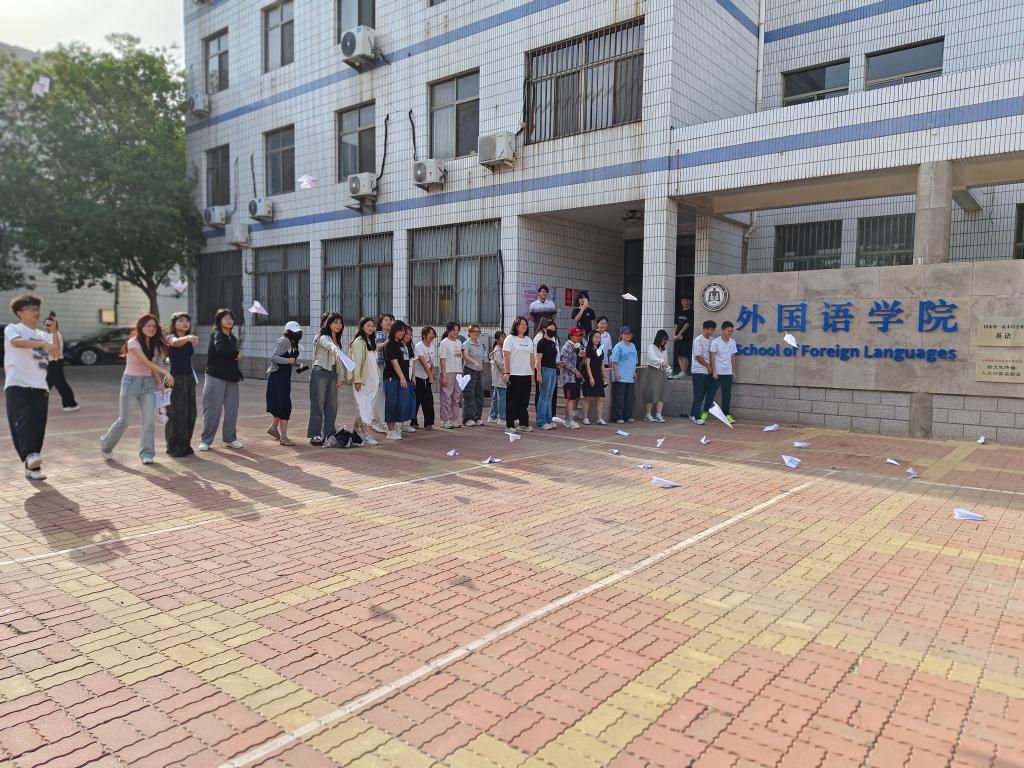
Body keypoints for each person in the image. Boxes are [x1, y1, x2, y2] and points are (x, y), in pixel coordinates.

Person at [100, 314, 174, 465]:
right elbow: (146, 362)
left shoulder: (153, 345)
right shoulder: (133, 343)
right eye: (148, 326)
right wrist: (165, 372)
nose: (151, 329)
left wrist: (159, 383)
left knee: (149, 420)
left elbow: (152, 367)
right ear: (141, 327)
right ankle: (106, 444)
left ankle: (147, 454)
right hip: (131, 383)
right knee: (124, 420)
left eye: (154, 326)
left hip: (147, 385)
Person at [4, 294, 57, 480]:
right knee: (22, 421)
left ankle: (32, 467)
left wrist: (53, 332)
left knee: (37, 426)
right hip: (17, 383)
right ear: (20, 313)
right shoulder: (13, 328)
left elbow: (55, 354)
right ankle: (31, 456)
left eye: (37, 309)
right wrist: (42, 344)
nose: (36, 312)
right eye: (31, 309)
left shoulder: (44, 335)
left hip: (40, 386)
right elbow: (17, 342)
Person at [200, 308, 243, 452]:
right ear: (219, 321)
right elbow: (221, 350)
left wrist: (237, 368)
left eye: (230, 318)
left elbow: (231, 358)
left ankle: (230, 439)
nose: (229, 320)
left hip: (231, 377)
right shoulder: (217, 335)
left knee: (232, 409)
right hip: (215, 376)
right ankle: (206, 440)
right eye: (225, 318)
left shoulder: (233, 338)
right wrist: (236, 353)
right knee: (213, 410)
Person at [309, 313, 347, 446]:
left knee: (332, 406)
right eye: (335, 322)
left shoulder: (337, 339)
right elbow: (328, 345)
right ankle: (315, 434)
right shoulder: (323, 337)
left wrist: (341, 377)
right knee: (317, 405)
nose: (338, 325)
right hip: (320, 373)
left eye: (340, 323)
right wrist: (335, 348)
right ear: (328, 324)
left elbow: (339, 361)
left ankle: (329, 433)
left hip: (333, 374)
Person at [165, 312, 200, 457]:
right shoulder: (170, 337)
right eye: (181, 321)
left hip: (189, 378)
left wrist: (194, 378)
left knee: (190, 413)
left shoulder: (187, 339)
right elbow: (174, 343)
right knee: (176, 414)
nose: (185, 323)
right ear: (174, 324)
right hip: (175, 379)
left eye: (187, 321)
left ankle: (185, 445)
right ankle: (174, 447)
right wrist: (188, 338)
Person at [266, 321, 303, 446]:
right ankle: (283, 438)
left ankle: (273, 428)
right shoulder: (285, 340)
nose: (297, 334)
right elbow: (274, 357)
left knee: (282, 404)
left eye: (298, 332)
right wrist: (288, 361)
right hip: (278, 377)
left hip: (283, 377)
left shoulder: (292, 342)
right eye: (295, 332)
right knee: (284, 405)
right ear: (289, 332)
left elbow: (287, 359)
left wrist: (296, 363)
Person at [348, 316, 379, 446]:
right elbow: (356, 362)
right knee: (362, 406)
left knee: (364, 406)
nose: (371, 328)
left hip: (372, 380)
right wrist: (357, 380)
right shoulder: (359, 342)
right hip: (363, 381)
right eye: (368, 326)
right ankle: (366, 434)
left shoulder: (370, 341)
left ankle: (355, 432)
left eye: (372, 326)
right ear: (362, 327)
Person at [502, 315, 536, 433]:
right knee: (512, 401)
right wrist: (507, 372)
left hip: (526, 374)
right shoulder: (510, 339)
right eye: (521, 324)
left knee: (524, 401)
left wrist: (532, 372)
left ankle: (523, 423)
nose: (524, 326)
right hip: (514, 374)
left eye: (525, 324)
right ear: (516, 326)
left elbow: (531, 357)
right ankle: (510, 425)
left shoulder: (529, 340)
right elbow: (506, 356)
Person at [383, 320, 415, 440]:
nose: (402, 333)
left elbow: (408, 362)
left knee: (401, 403)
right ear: (393, 331)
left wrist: (407, 377)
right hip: (392, 378)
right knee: (391, 403)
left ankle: (396, 427)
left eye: (403, 331)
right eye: (399, 330)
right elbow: (394, 362)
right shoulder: (390, 344)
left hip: (403, 378)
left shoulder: (402, 344)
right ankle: (390, 430)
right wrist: (402, 377)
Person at [43, 314, 78, 411]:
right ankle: (70, 404)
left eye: (49, 324)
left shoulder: (56, 335)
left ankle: (71, 404)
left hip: (55, 362)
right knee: (53, 384)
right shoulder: (50, 335)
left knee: (59, 384)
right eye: (46, 324)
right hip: (52, 363)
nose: (47, 326)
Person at [708, 320, 738, 424]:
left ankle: (726, 415)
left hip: (728, 373)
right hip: (718, 373)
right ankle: (705, 412)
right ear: (722, 330)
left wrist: (733, 371)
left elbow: (733, 357)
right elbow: (712, 357)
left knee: (727, 395)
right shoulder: (715, 342)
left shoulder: (732, 342)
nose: (730, 333)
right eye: (728, 331)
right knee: (711, 393)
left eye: (731, 331)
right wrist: (714, 371)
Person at [688, 320, 717, 424]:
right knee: (698, 394)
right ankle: (697, 417)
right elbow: (698, 356)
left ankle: (692, 414)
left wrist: (711, 368)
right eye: (711, 330)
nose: (712, 332)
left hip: (707, 371)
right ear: (705, 329)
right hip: (698, 371)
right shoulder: (698, 340)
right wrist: (708, 366)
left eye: (713, 330)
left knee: (702, 395)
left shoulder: (712, 340)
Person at [371, 313, 394, 434]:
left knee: (384, 395)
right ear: (381, 323)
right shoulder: (379, 334)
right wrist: (386, 342)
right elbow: (376, 347)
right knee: (379, 395)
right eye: (386, 320)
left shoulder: (390, 335)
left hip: (387, 368)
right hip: (379, 367)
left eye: (390, 320)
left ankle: (380, 421)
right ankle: (376, 422)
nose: (389, 322)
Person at [610, 326, 638, 424]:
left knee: (629, 398)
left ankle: (627, 416)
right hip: (620, 377)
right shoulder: (618, 346)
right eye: (625, 334)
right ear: (621, 335)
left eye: (629, 334)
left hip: (630, 377)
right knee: (619, 398)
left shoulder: (633, 346)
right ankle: (618, 417)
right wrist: (616, 374)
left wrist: (634, 372)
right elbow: (614, 362)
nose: (628, 335)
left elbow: (634, 361)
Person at [641, 330, 671, 422]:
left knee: (662, 393)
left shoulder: (664, 350)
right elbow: (651, 358)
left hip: (662, 372)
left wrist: (668, 370)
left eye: (666, 340)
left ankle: (658, 414)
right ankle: (648, 414)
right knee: (651, 392)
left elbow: (666, 361)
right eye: (663, 339)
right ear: (659, 338)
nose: (664, 341)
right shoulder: (651, 347)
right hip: (653, 371)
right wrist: (661, 362)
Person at [438, 321, 463, 430]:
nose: (456, 332)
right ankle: (445, 420)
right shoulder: (444, 343)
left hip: (458, 371)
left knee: (456, 397)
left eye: (457, 330)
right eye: (454, 330)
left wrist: (461, 371)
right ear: (449, 330)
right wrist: (444, 375)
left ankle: (454, 419)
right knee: (446, 397)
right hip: (448, 371)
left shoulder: (459, 342)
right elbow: (442, 360)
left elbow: (460, 358)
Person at [459, 325, 485, 427]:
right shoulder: (466, 343)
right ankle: (467, 418)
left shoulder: (480, 344)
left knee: (479, 394)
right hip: (469, 370)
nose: (476, 333)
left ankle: (477, 417)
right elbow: (465, 355)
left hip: (479, 372)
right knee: (468, 395)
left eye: (478, 332)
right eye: (474, 331)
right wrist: (474, 362)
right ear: (469, 333)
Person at [558, 327, 584, 429]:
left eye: (580, 335)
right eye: (577, 335)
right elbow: (565, 362)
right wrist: (576, 371)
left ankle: (568, 419)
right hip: (568, 378)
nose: (579, 337)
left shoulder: (576, 346)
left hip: (574, 378)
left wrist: (581, 356)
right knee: (569, 398)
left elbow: (576, 361)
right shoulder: (567, 347)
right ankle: (569, 420)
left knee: (572, 398)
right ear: (571, 336)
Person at [536, 319, 559, 430]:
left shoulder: (553, 343)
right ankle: (541, 421)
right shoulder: (541, 342)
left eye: (554, 329)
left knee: (549, 397)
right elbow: (538, 360)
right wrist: (538, 374)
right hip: (545, 370)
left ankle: (548, 420)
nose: (553, 331)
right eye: (551, 329)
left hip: (553, 370)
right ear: (545, 329)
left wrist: (558, 364)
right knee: (544, 397)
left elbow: (552, 358)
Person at [580, 330, 607, 426]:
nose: (597, 339)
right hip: (589, 375)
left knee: (600, 398)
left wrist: (604, 376)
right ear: (591, 338)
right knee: (587, 397)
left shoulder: (600, 349)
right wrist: (591, 378)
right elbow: (587, 365)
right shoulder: (588, 349)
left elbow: (602, 364)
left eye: (599, 337)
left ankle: (600, 418)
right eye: (596, 337)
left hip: (598, 375)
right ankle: (585, 418)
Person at [412, 326, 436, 430]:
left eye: (433, 333)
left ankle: (429, 423)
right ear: (424, 335)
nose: (432, 335)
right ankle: (413, 422)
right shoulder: (419, 346)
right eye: (430, 333)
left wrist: (432, 373)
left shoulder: (432, 346)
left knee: (428, 400)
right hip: (418, 377)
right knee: (416, 401)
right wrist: (430, 376)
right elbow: (423, 363)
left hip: (427, 378)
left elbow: (430, 362)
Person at [670, 297, 694, 378]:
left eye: (687, 301)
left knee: (685, 354)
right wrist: (674, 333)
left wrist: (680, 334)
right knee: (679, 354)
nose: (685, 302)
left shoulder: (691, 312)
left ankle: (684, 371)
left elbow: (687, 324)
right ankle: (681, 371)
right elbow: (676, 323)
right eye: (683, 301)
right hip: (677, 337)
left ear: (690, 302)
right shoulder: (679, 311)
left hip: (686, 336)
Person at [487, 331, 507, 424]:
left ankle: (493, 416)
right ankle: (502, 418)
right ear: (497, 340)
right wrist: (509, 372)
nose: (504, 339)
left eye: (504, 337)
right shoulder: (498, 351)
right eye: (502, 337)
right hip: (501, 378)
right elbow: (502, 365)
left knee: (496, 397)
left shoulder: (500, 350)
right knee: (502, 398)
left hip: (498, 379)